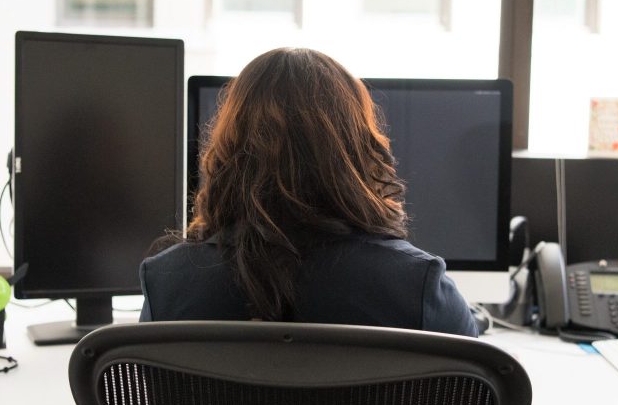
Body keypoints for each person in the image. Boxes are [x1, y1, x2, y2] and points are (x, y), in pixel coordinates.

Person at [139, 47, 478, 337]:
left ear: (229, 148)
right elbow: (477, 401)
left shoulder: (166, 283)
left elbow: (152, 396)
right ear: (356, 150)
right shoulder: (417, 284)